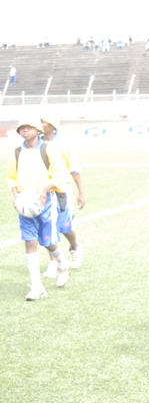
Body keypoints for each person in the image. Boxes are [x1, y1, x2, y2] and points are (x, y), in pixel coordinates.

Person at [7, 117, 71, 300]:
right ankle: (37, 286)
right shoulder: (17, 152)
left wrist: (44, 190)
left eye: (29, 127)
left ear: (37, 130)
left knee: (48, 242)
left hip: (46, 200)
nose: (25, 130)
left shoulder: (48, 149)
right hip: (25, 203)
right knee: (30, 241)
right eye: (22, 128)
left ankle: (62, 263)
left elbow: (60, 175)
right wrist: (16, 195)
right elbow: (12, 177)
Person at [39, 117, 85, 280]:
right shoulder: (37, 142)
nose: (40, 124)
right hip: (45, 191)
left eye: (43, 121)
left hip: (62, 190)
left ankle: (74, 247)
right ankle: (54, 262)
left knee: (65, 227)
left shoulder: (64, 143)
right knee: (49, 226)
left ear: (52, 124)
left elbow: (74, 169)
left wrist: (81, 192)